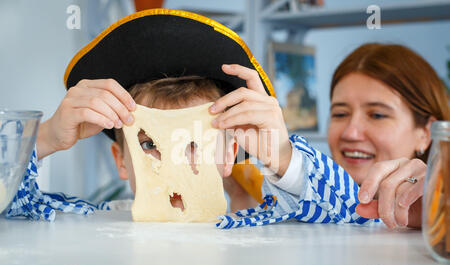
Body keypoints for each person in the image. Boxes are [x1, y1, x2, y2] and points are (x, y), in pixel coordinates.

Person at [7, 9, 377, 229]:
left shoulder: (263, 224)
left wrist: (281, 155)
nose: (175, 165)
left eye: (195, 145)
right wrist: (45, 137)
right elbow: (9, 207)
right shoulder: (95, 221)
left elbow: (361, 217)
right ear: (122, 161)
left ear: (230, 153)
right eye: (149, 145)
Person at [211, 43, 449, 229]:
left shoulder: (438, 210)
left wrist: (284, 156)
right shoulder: (294, 201)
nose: (350, 132)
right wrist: (239, 196)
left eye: (377, 115)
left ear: (427, 132)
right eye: (340, 113)